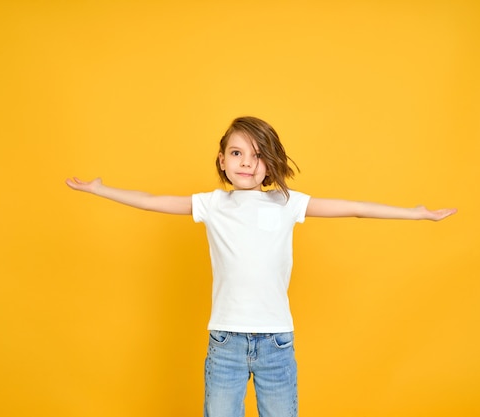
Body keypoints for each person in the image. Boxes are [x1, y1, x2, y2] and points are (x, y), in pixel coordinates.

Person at [65, 116, 457, 417]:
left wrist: (416, 213)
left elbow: (353, 209)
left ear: (270, 164)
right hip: (225, 341)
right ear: (222, 160)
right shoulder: (212, 204)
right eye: (237, 153)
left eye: (257, 156)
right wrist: (101, 189)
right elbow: (151, 200)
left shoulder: (286, 203)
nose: (247, 163)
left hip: (276, 343)